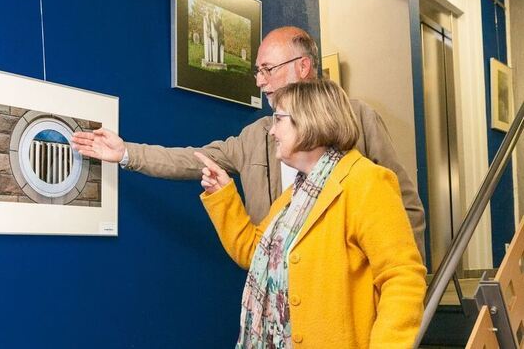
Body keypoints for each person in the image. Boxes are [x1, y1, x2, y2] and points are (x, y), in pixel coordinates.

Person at [72, 26, 426, 260]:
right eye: (257, 71)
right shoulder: (257, 135)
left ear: (303, 67)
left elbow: (405, 205)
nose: (259, 81)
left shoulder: (358, 119)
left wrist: (405, 283)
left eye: (267, 69)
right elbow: (193, 159)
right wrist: (126, 153)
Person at [196, 79, 426, 348]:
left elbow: (402, 276)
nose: (272, 131)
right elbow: (253, 250)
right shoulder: (295, 194)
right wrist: (223, 194)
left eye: (278, 119)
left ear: (308, 121)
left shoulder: (367, 182)